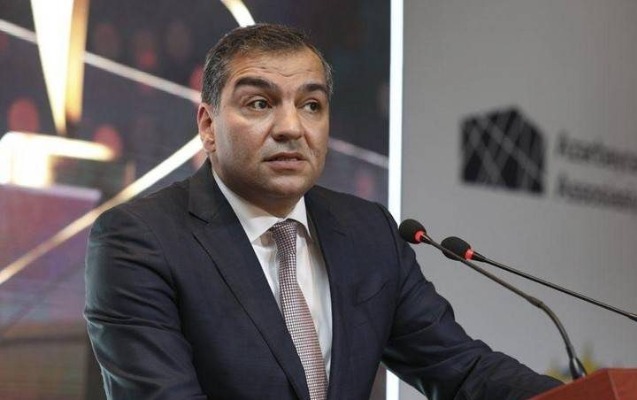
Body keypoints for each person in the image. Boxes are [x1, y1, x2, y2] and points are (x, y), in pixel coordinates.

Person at [84, 23, 562, 400]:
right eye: (259, 103)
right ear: (208, 126)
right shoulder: (140, 241)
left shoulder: (369, 232)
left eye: (311, 105)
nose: (291, 127)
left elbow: (463, 370)